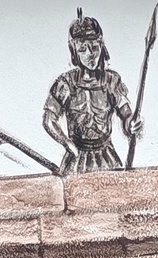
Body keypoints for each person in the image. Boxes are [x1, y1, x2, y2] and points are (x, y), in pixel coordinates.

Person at [43, 9, 142, 175]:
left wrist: (131, 124)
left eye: (94, 47)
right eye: (83, 49)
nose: (90, 55)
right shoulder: (65, 83)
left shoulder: (111, 81)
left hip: (107, 158)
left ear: (101, 47)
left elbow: (126, 114)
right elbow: (49, 120)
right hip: (76, 158)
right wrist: (67, 144)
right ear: (74, 51)